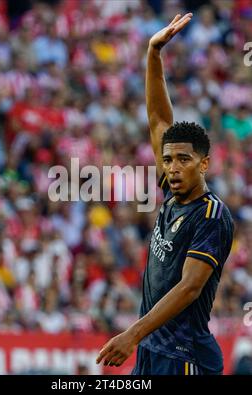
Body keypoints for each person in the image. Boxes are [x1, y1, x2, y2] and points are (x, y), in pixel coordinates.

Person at [96, 13, 234, 375]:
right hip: (153, 350)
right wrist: (153, 53)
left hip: (184, 357)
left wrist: (132, 334)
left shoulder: (211, 217)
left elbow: (189, 288)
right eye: (168, 159)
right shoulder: (172, 191)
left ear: (203, 165)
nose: (172, 167)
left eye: (183, 160)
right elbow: (159, 119)